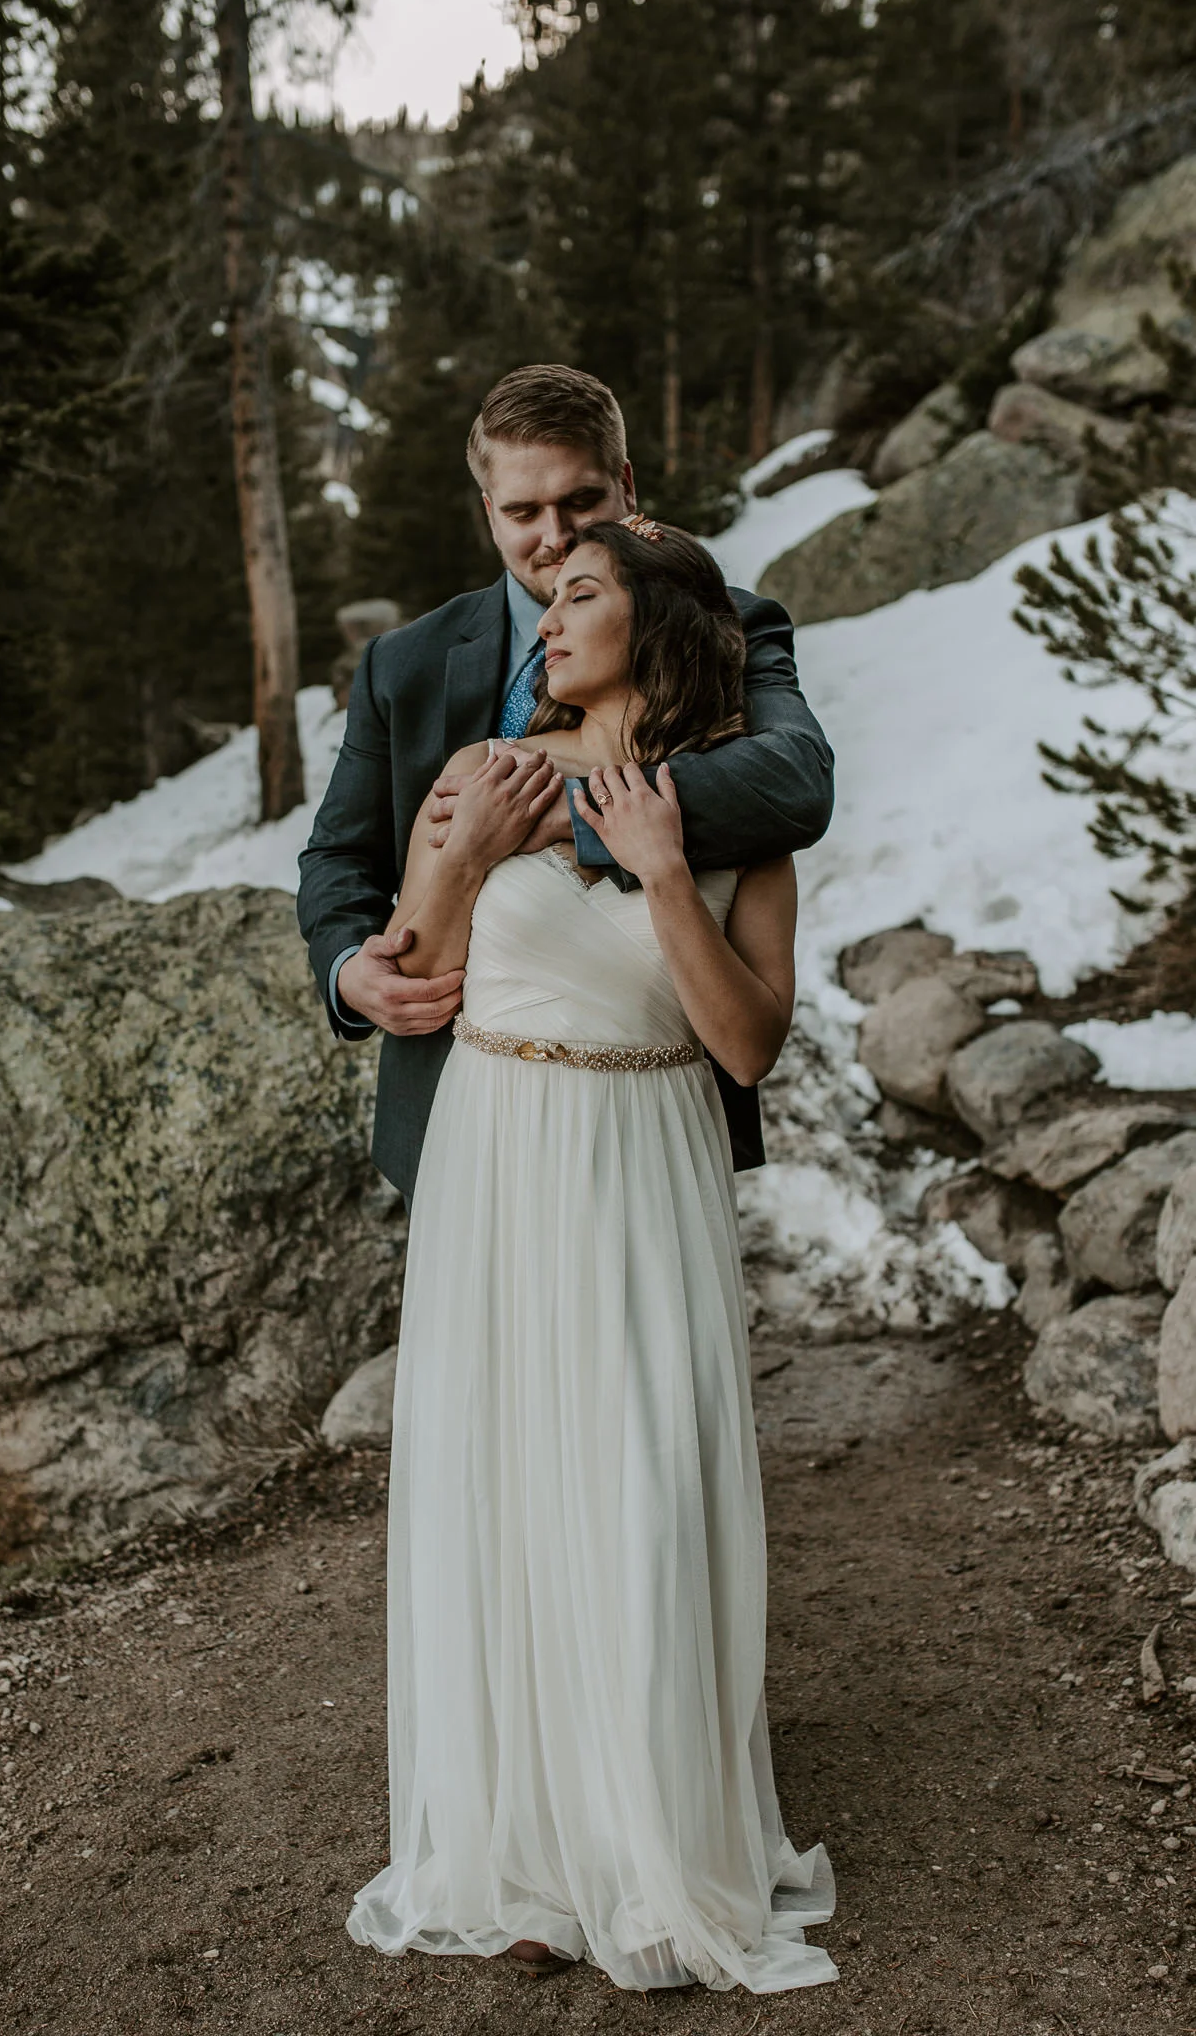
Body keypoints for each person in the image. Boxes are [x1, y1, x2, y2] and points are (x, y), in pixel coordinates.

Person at [341, 514, 837, 1994]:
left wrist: (665, 869)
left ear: (657, 623)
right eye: (543, 597)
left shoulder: (733, 813)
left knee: (640, 1485)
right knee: (504, 1486)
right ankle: (521, 1860)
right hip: (498, 1153)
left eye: (578, 593)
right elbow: (420, 969)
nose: (544, 618)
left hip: (646, 1159)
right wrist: (461, 853)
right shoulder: (487, 769)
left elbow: (745, 1044)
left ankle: (648, 1846)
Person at [295, 364, 834, 1206]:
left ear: (626, 485)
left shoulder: (719, 624)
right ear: (488, 512)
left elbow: (794, 780)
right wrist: (346, 970)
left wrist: (572, 812)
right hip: (458, 1106)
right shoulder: (404, 663)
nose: (553, 535)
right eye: (522, 512)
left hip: (656, 1108)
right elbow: (339, 852)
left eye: (580, 500)